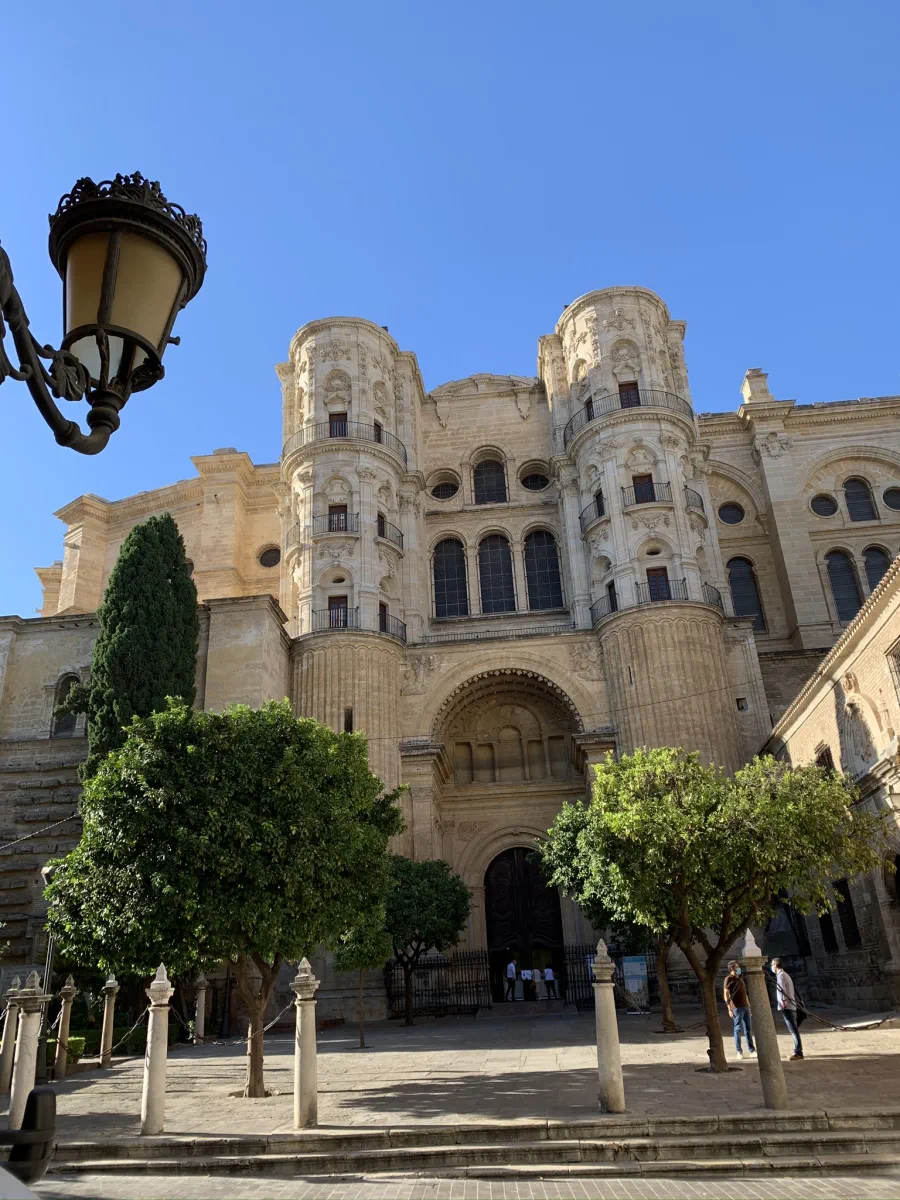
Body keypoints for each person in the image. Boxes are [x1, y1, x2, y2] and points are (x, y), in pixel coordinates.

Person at [771, 957, 804, 1060]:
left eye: (772, 965)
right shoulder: (785, 975)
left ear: (776, 965)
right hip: (791, 1005)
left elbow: (783, 991)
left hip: (787, 1006)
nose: (771, 967)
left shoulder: (781, 976)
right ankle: (798, 1051)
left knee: (793, 1030)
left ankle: (798, 1052)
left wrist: (784, 1002)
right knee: (794, 1029)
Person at [723, 959, 755, 1061]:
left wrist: (749, 1006)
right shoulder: (728, 979)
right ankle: (739, 1051)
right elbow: (726, 994)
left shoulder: (740, 979)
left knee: (748, 1029)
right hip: (736, 1007)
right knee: (737, 1029)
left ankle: (751, 1050)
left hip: (745, 1006)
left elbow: (745, 994)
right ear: (732, 968)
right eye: (737, 967)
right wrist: (729, 1008)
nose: (739, 968)